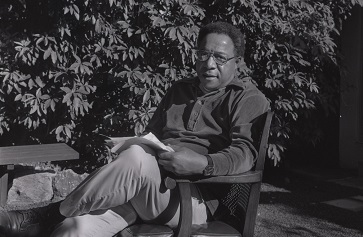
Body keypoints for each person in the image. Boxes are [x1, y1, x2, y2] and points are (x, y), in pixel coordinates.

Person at [0, 21, 270, 236]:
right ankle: (56, 220)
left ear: (238, 62)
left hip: (192, 200)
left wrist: (203, 163)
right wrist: (128, 143)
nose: (209, 64)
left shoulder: (246, 98)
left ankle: (44, 216)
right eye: (203, 54)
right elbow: (151, 136)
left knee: (138, 159)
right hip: (144, 190)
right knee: (74, 229)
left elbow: (245, 153)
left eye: (220, 58)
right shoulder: (179, 90)